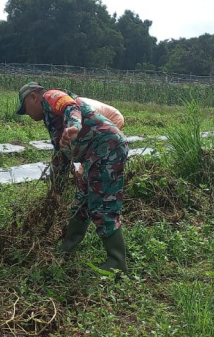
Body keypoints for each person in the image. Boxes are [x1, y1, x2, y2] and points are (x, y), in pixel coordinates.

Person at [16, 82, 129, 273]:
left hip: (107, 148)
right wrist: (55, 190)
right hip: (95, 153)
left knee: (102, 205)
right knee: (81, 204)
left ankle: (117, 263)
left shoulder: (51, 96)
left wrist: (74, 126)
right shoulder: (50, 118)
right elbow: (61, 155)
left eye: (25, 107)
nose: (26, 113)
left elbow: (71, 108)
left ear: (33, 97)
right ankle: (66, 249)